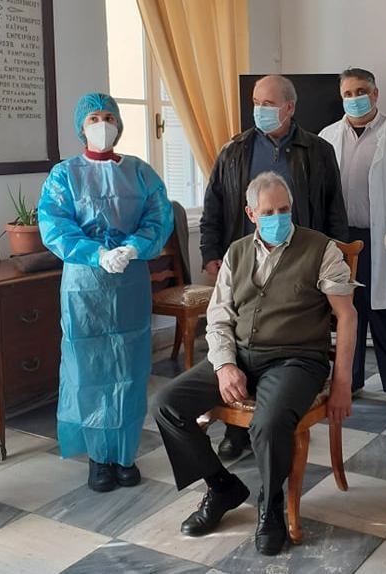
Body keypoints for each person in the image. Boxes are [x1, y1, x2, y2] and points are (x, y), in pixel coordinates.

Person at [152, 171, 356, 556]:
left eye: (284, 209)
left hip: (297, 360)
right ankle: (222, 487)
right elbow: (219, 318)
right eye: (268, 212)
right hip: (242, 355)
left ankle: (271, 505)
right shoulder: (236, 252)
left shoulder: (321, 249)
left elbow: (347, 316)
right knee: (166, 404)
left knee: (269, 421)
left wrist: (342, 383)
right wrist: (224, 365)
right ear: (251, 214)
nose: (279, 217)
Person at [200, 74, 349, 460]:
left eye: (268, 103)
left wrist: (336, 256)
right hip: (244, 261)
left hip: (300, 263)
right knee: (239, 335)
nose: (259, 110)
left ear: (289, 107)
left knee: (280, 339)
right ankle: (237, 429)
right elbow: (214, 203)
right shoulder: (235, 150)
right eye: (256, 102)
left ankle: (276, 417)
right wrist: (210, 252)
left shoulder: (317, 150)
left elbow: (334, 207)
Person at [38, 92, 174, 492]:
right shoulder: (64, 175)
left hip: (130, 281)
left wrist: (133, 247)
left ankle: (125, 455)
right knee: (90, 369)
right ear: (81, 127)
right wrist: (96, 253)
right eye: (94, 118)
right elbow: (54, 225)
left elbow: (158, 216)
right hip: (85, 286)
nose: (102, 124)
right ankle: (99, 457)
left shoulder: (140, 172)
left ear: (119, 124)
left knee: (130, 369)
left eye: (108, 117)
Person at [319, 68, 386, 407]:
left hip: (383, 239)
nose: (355, 99)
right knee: (346, 311)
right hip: (339, 241)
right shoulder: (327, 137)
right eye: (348, 93)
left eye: (361, 91)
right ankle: (349, 380)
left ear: (375, 94)